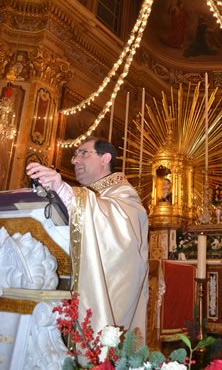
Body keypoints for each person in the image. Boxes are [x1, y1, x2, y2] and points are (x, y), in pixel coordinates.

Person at [26, 137, 149, 343]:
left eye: (83, 153)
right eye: (75, 155)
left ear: (105, 158)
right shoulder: (86, 195)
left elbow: (120, 241)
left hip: (106, 300)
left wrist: (64, 190)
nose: (75, 161)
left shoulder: (124, 194)